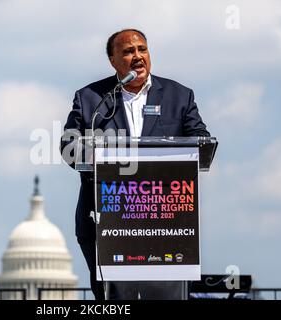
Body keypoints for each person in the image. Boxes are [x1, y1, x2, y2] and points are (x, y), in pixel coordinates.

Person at [60, 29, 210, 300]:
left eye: (142, 49)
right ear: (113, 60)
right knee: (114, 300)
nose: (137, 56)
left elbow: (200, 139)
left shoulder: (179, 95)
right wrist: (97, 155)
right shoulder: (91, 98)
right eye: (128, 52)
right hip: (106, 218)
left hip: (164, 218)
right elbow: (69, 146)